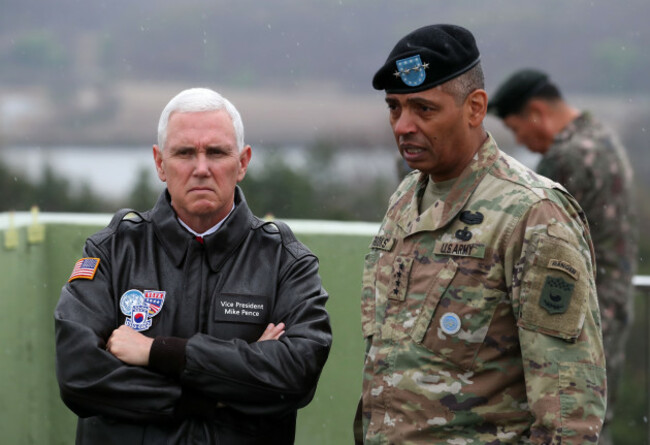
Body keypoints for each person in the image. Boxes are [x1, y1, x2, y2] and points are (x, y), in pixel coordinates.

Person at [356, 24, 606, 444]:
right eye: (394, 108)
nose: (403, 126)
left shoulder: (532, 213)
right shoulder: (405, 199)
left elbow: (568, 409)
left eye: (424, 109)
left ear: (474, 109)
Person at [54, 87, 332, 445]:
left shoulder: (286, 262)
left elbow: (295, 375)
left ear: (243, 162)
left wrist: (158, 353)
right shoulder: (112, 251)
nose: (201, 168)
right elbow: (79, 376)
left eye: (216, 152)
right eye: (185, 152)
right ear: (159, 163)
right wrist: (215, 393)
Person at [488, 68, 638, 444]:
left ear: (536, 112)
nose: (523, 141)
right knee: (594, 421)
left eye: (518, 129)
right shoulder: (602, 139)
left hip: (571, 314)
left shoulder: (566, 159)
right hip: (612, 306)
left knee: (562, 421)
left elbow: (532, 233)